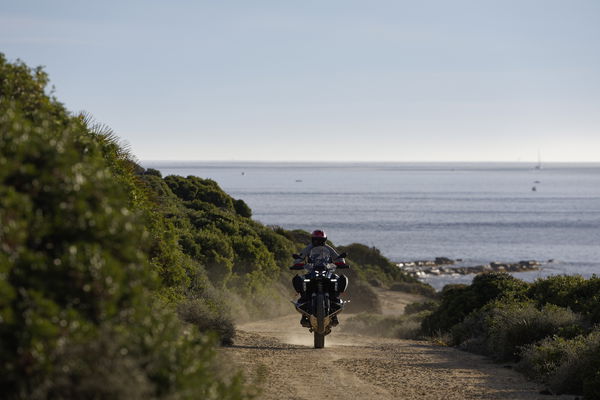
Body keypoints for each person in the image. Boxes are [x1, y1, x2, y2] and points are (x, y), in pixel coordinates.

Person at [292, 229, 348, 327]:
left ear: (324, 240)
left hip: (327, 271)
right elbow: (300, 257)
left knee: (339, 279)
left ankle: (334, 313)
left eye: (320, 240)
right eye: (316, 239)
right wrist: (297, 263)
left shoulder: (328, 248)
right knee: (300, 280)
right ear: (312, 239)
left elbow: (338, 257)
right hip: (312, 271)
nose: (318, 242)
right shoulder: (309, 248)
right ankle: (304, 312)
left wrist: (341, 263)